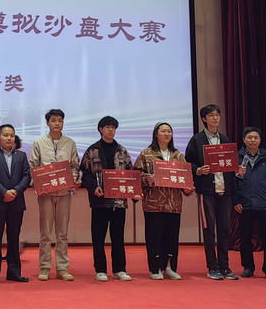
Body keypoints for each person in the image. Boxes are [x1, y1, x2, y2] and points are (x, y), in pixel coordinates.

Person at [80, 116, 138, 282]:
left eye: (113, 127)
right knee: (98, 238)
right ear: (101, 129)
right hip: (99, 201)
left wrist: (134, 193)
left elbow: (130, 173)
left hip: (119, 201)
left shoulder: (122, 150)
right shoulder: (92, 150)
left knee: (118, 237)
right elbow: (85, 174)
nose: (111, 130)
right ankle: (100, 270)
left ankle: (120, 269)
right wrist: (93, 187)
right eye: (108, 127)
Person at [185, 104, 239, 280]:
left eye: (217, 115)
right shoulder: (197, 140)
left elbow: (230, 162)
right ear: (204, 119)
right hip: (207, 191)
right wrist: (198, 170)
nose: (215, 118)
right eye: (211, 115)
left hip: (225, 190)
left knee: (225, 229)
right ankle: (213, 267)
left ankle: (225, 266)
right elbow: (188, 163)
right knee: (209, 230)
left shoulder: (224, 138)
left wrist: (237, 169)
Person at [134, 122, 193, 280]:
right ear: (156, 134)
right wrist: (147, 178)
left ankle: (169, 267)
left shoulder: (178, 155)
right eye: (163, 131)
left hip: (174, 203)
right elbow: (136, 175)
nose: (167, 134)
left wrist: (188, 188)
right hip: (154, 203)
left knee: (171, 237)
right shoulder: (146, 154)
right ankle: (155, 269)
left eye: (169, 131)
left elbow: (185, 177)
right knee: (154, 237)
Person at [29, 109, 80, 282]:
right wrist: (38, 183)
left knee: (62, 233)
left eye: (60, 120)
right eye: (53, 120)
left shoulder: (70, 143)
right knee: (45, 233)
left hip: (64, 193)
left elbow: (74, 166)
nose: (57, 123)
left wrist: (73, 179)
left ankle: (62, 268)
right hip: (46, 194)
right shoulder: (39, 142)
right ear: (47, 123)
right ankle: (44, 267)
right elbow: (33, 166)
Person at [0, 124, 32, 284]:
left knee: (14, 238)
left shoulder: (21, 156)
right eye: (5, 135)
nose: (9, 138)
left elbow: (27, 176)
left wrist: (15, 191)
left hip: (16, 203)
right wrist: (4, 192)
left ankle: (14, 273)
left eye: (11, 135)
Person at [234, 127, 266, 281]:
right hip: (245, 204)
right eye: (249, 137)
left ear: (260, 140)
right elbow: (232, 182)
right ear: (244, 140)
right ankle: (248, 267)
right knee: (245, 238)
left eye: (256, 137)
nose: (253, 140)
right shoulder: (236, 158)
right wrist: (236, 201)